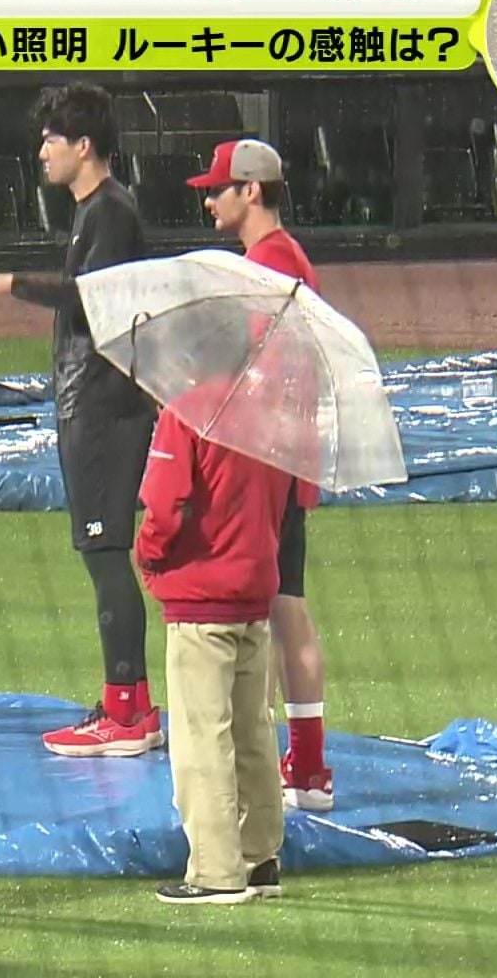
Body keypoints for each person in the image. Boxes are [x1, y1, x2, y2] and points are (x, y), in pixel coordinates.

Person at [0, 83, 162, 757]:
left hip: (105, 407)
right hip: (96, 403)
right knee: (103, 552)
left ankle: (126, 713)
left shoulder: (111, 213)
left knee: (104, 552)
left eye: (52, 140)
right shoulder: (96, 213)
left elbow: (91, 299)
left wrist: (5, 284)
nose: (42, 152)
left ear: (84, 146)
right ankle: (131, 706)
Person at [185, 139, 334, 811]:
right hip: (282, 458)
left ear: (251, 191)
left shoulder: (272, 266)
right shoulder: (280, 259)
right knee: (278, 608)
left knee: (275, 609)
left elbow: (264, 374)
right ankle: (301, 764)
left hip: (268, 463)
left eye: (217, 190)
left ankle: (295, 767)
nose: (208, 201)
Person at [135, 382, 293, 905]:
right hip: (254, 590)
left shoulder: (187, 411)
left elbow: (163, 506)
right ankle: (260, 858)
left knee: (203, 737)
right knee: (253, 730)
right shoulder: (269, 410)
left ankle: (215, 872)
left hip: (200, 597)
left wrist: (148, 556)